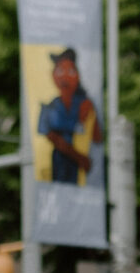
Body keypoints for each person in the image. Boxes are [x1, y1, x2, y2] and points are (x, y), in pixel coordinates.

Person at [36, 47, 98, 186]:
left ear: (77, 75)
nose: (64, 77)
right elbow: (50, 135)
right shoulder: (50, 106)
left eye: (70, 71)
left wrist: (90, 114)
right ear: (53, 74)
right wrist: (79, 157)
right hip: (60, 161)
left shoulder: (83, 104)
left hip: (78, 167)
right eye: (59, 70)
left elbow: (97, 138)